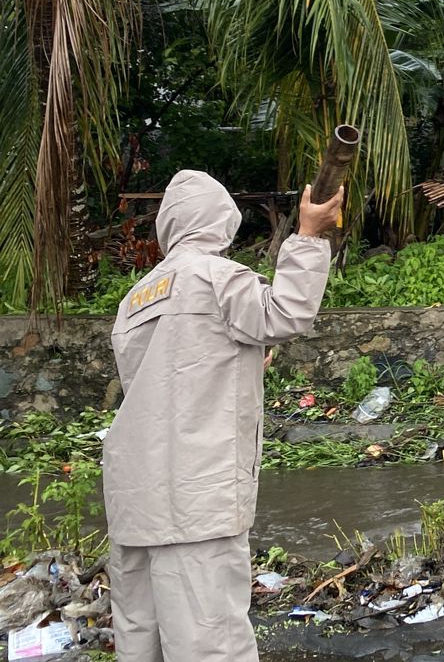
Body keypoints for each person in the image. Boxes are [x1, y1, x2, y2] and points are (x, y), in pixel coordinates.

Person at [103, 170, 344, 662]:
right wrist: (309, 234)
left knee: (139, 633)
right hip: (195, 495)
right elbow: (286, 313)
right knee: (208, 638)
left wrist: (243, 356)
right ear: (221, 220)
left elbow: (163, 381)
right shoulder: (214, 276)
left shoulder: (136, 298)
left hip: (134, 495)